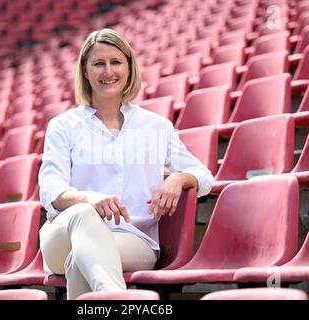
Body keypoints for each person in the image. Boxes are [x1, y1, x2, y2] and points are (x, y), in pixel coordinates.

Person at [38, 28, 213, 299]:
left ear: (129, 68)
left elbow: (203, 175)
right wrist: (89, 198)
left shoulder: (155, 127)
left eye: (116, 62)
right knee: (84, 215)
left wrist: (178, 179)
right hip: (62, 236)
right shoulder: (63, 126)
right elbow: (50, 189)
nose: (108, 72)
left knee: (80, 262)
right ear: (85, 72)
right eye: (98, 64)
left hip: (134, 240)